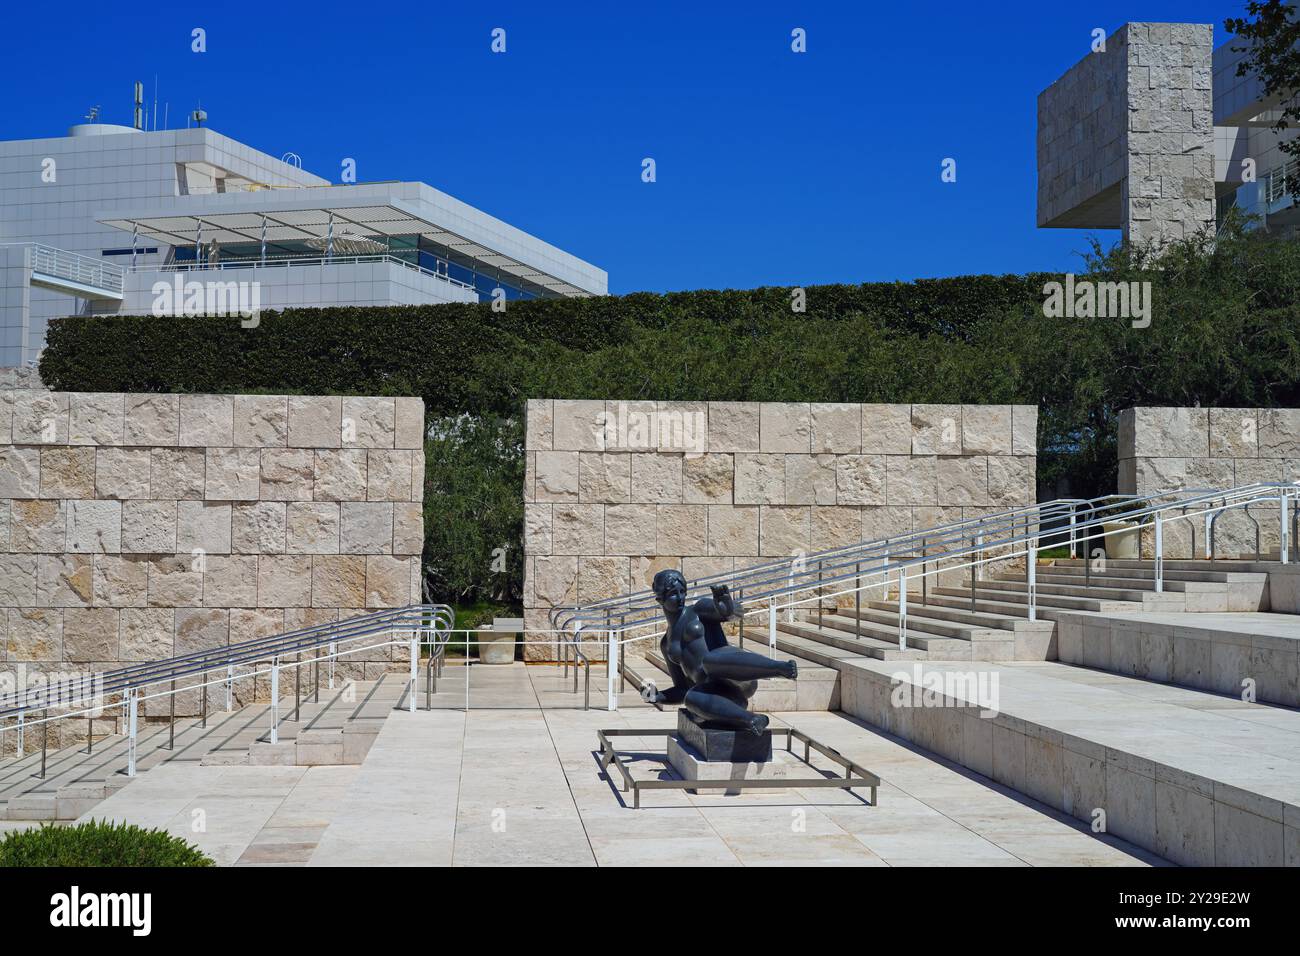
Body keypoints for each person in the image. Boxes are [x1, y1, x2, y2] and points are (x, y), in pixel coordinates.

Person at [647, 569, 797, 735]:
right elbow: (682, 689)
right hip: (721, 695)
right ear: (660, 599)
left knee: (709, 661)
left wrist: (726, 607)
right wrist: (658, 696)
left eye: (682, 592)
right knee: (691, 698)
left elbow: (728, 613)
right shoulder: (666, 644)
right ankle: (751, 719)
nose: (681, 597)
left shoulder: (698, 610)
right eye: (674, 594)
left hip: (736, 675)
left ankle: (780, 668)